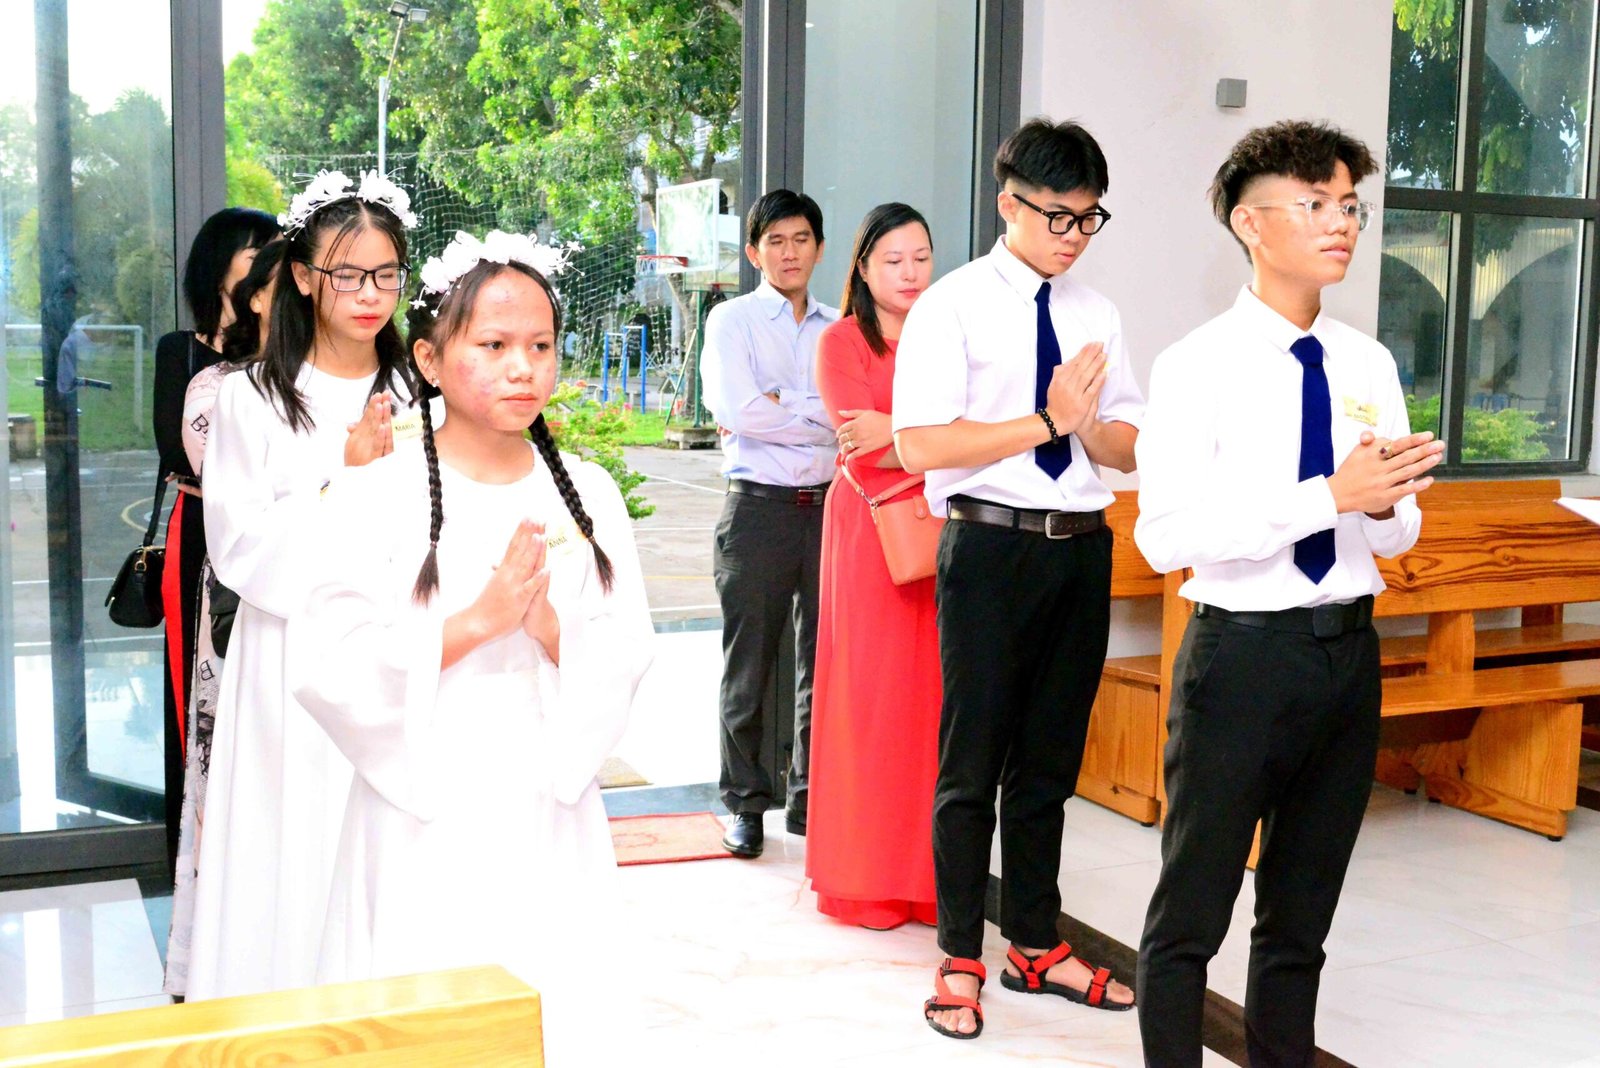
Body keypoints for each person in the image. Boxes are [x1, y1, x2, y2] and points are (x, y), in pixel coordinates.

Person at [288, 231, 652, 1059]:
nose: (523, 368)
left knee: (550, 1003)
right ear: (428, 358)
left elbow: (628, 648)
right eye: (493, 346)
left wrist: (549, 627)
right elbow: (331, 663)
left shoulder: (588, 494)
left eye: (540, 346)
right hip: (423, 802)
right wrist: (478, 622)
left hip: (546, 799)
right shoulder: (375, 493)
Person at [1133, 121, 1442, 1068]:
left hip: (1347, 656)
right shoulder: (1196, 365)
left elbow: (1395, 533)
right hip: (1240, 658)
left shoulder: (1368, 363)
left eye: (1350, 205)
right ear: (1250, 223)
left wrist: (1381, 503)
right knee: (1191, 917)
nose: (1340, 223)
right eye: (1314, 204)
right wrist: (1327, 496)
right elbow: (1164, 536)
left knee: (1301, 922)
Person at [893, 118, 1143, 1038]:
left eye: (1089, 219)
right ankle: (961, 953)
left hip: (1080, 547)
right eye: (1058, 217)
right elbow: (921, 444)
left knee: (1048, 766)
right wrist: (1047, 420)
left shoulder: (1096, 314)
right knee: (972, 765)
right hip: (989, 548)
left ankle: (1035, 944)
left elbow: (1123, 445)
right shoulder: (951, 305)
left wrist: (1088, 422)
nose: (1074, 236)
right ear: (1009, 204)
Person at [186, 172, 417, 1000]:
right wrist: (342, 479)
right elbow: (240, 548)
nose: (370, 294)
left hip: (392, 648)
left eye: (386, 273)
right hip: (289, 657)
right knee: (292, 852)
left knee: (385, 846)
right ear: (305, 276)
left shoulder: (418, 393)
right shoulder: (250, 398)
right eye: (348, 274)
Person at [806, 202, 939, 929]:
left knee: (933, 706)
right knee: (871, 701)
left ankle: (925, 879)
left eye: (921, 257)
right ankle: (865, 880)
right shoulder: (841, 342)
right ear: (862, 267)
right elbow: (860, 444)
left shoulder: (948, 336)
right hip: (870, 531)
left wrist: (905, 435)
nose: (910, 272)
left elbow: (977, 436)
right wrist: (937, 441)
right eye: (893, 260)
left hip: (942, 531)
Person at [162, 237, 284, 997]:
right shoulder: (217, 385)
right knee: (231, 751)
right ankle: (225, 943)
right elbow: (213, 475)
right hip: (239, 586)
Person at [700, 190, 839, 857]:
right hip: (756, 509)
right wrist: (819, 419)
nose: (789, 253)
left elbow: (856, 418)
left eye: (801, 239)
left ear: (819, 248)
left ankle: (809, 801)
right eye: (775, 241)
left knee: (824, 663)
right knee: (748, 665)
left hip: (830, 511)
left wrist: (786, 404)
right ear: (755, 252)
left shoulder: (840, 328)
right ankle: (745, 804)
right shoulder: (731, 320)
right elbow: (740, 410)